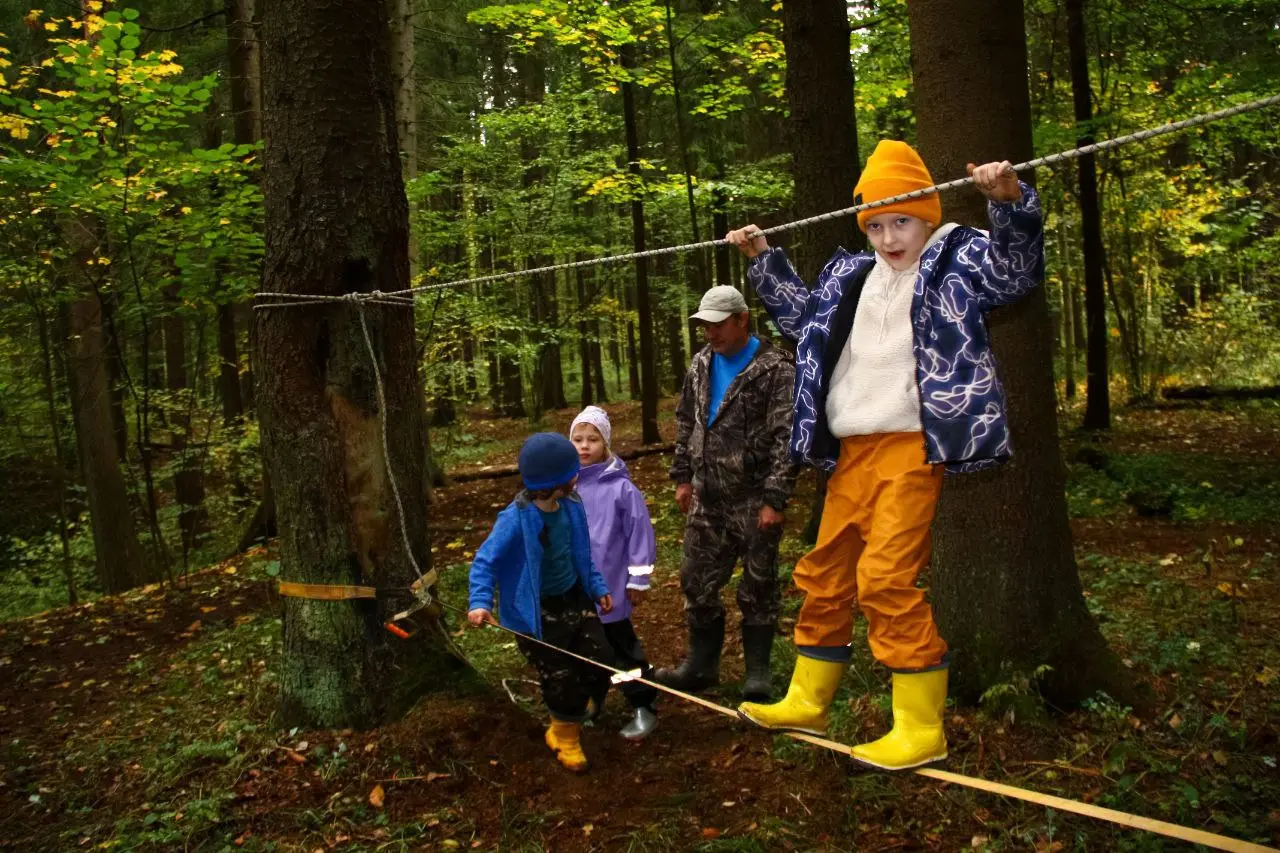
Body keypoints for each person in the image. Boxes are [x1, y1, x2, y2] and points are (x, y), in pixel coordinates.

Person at [725, 140, 1044, 770]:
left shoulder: (956, 256)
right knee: (826, 572)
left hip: (911, 447)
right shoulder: (851, 275)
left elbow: (1014, 275)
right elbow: (803, 320)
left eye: (901, 221)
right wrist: (763, 261)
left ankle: (921, 726)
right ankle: (807, 699)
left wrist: (1010, 205)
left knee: (885, 578)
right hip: (851, 450)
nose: (889, 236)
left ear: (927, 215)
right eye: (875, 224)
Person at [654, 285, 798, 702]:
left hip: (754, 497)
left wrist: (775, 498)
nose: (710, 334)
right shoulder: (701, 363)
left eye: (718, 325)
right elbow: (686, 421)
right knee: (695, 581)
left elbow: (786, 438)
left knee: (758, 586)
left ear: (741, 320)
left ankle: (757, 674)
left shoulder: (776, 368)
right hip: (707, 497)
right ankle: (701, 665)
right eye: (704, 326)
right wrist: (682, 477)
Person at [467, 432, 615, 772]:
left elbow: (582, 554)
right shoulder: (515, 519)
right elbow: (485, 560)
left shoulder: (572, 507)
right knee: (560, 675)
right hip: (536, 612)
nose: (578, 475)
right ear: (558, 481)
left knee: (601, 657)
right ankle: (564, 737)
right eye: (573, 471)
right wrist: (479, 601)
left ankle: (579, 705)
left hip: (574, 597)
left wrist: (595, 585)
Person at [569, 405, 661, 740]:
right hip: (578, 590)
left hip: (612, 589)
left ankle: (643, 703)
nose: (584, 445)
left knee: (622, 650)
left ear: (605, 444)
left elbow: (640, 535)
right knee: (585, 648)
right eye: (577, 439)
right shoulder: (568, 488)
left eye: (592, 439)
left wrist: (638, 580)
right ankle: (594, 700)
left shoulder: (622, 489)